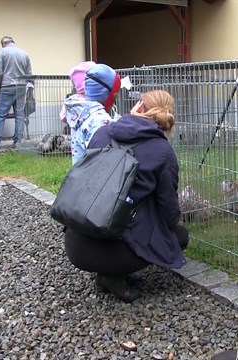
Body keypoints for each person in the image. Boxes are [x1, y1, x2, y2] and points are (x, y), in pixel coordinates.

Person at [64, 90, 189, 303]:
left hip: (74, 239)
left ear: (138, 107)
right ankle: (112, 274)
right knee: (179, 237)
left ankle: (111, 269)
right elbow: (168, 210)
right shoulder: (162, 151)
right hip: (109, 247)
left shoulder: (101, 132)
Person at [63, 63, 121, 165]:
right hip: (94, 175)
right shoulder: (100, 120)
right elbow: (106, 157)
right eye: (116, 95)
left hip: (79, 173)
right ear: (110, 94)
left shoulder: (80, 110)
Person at [0, 36, 32, 150]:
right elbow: (29, 73)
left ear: (3, 43)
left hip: (6, 86)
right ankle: (18, 142)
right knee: (19, 115)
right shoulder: (24, 53)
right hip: (21, 86)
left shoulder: (2, 52)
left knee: (0, 115)